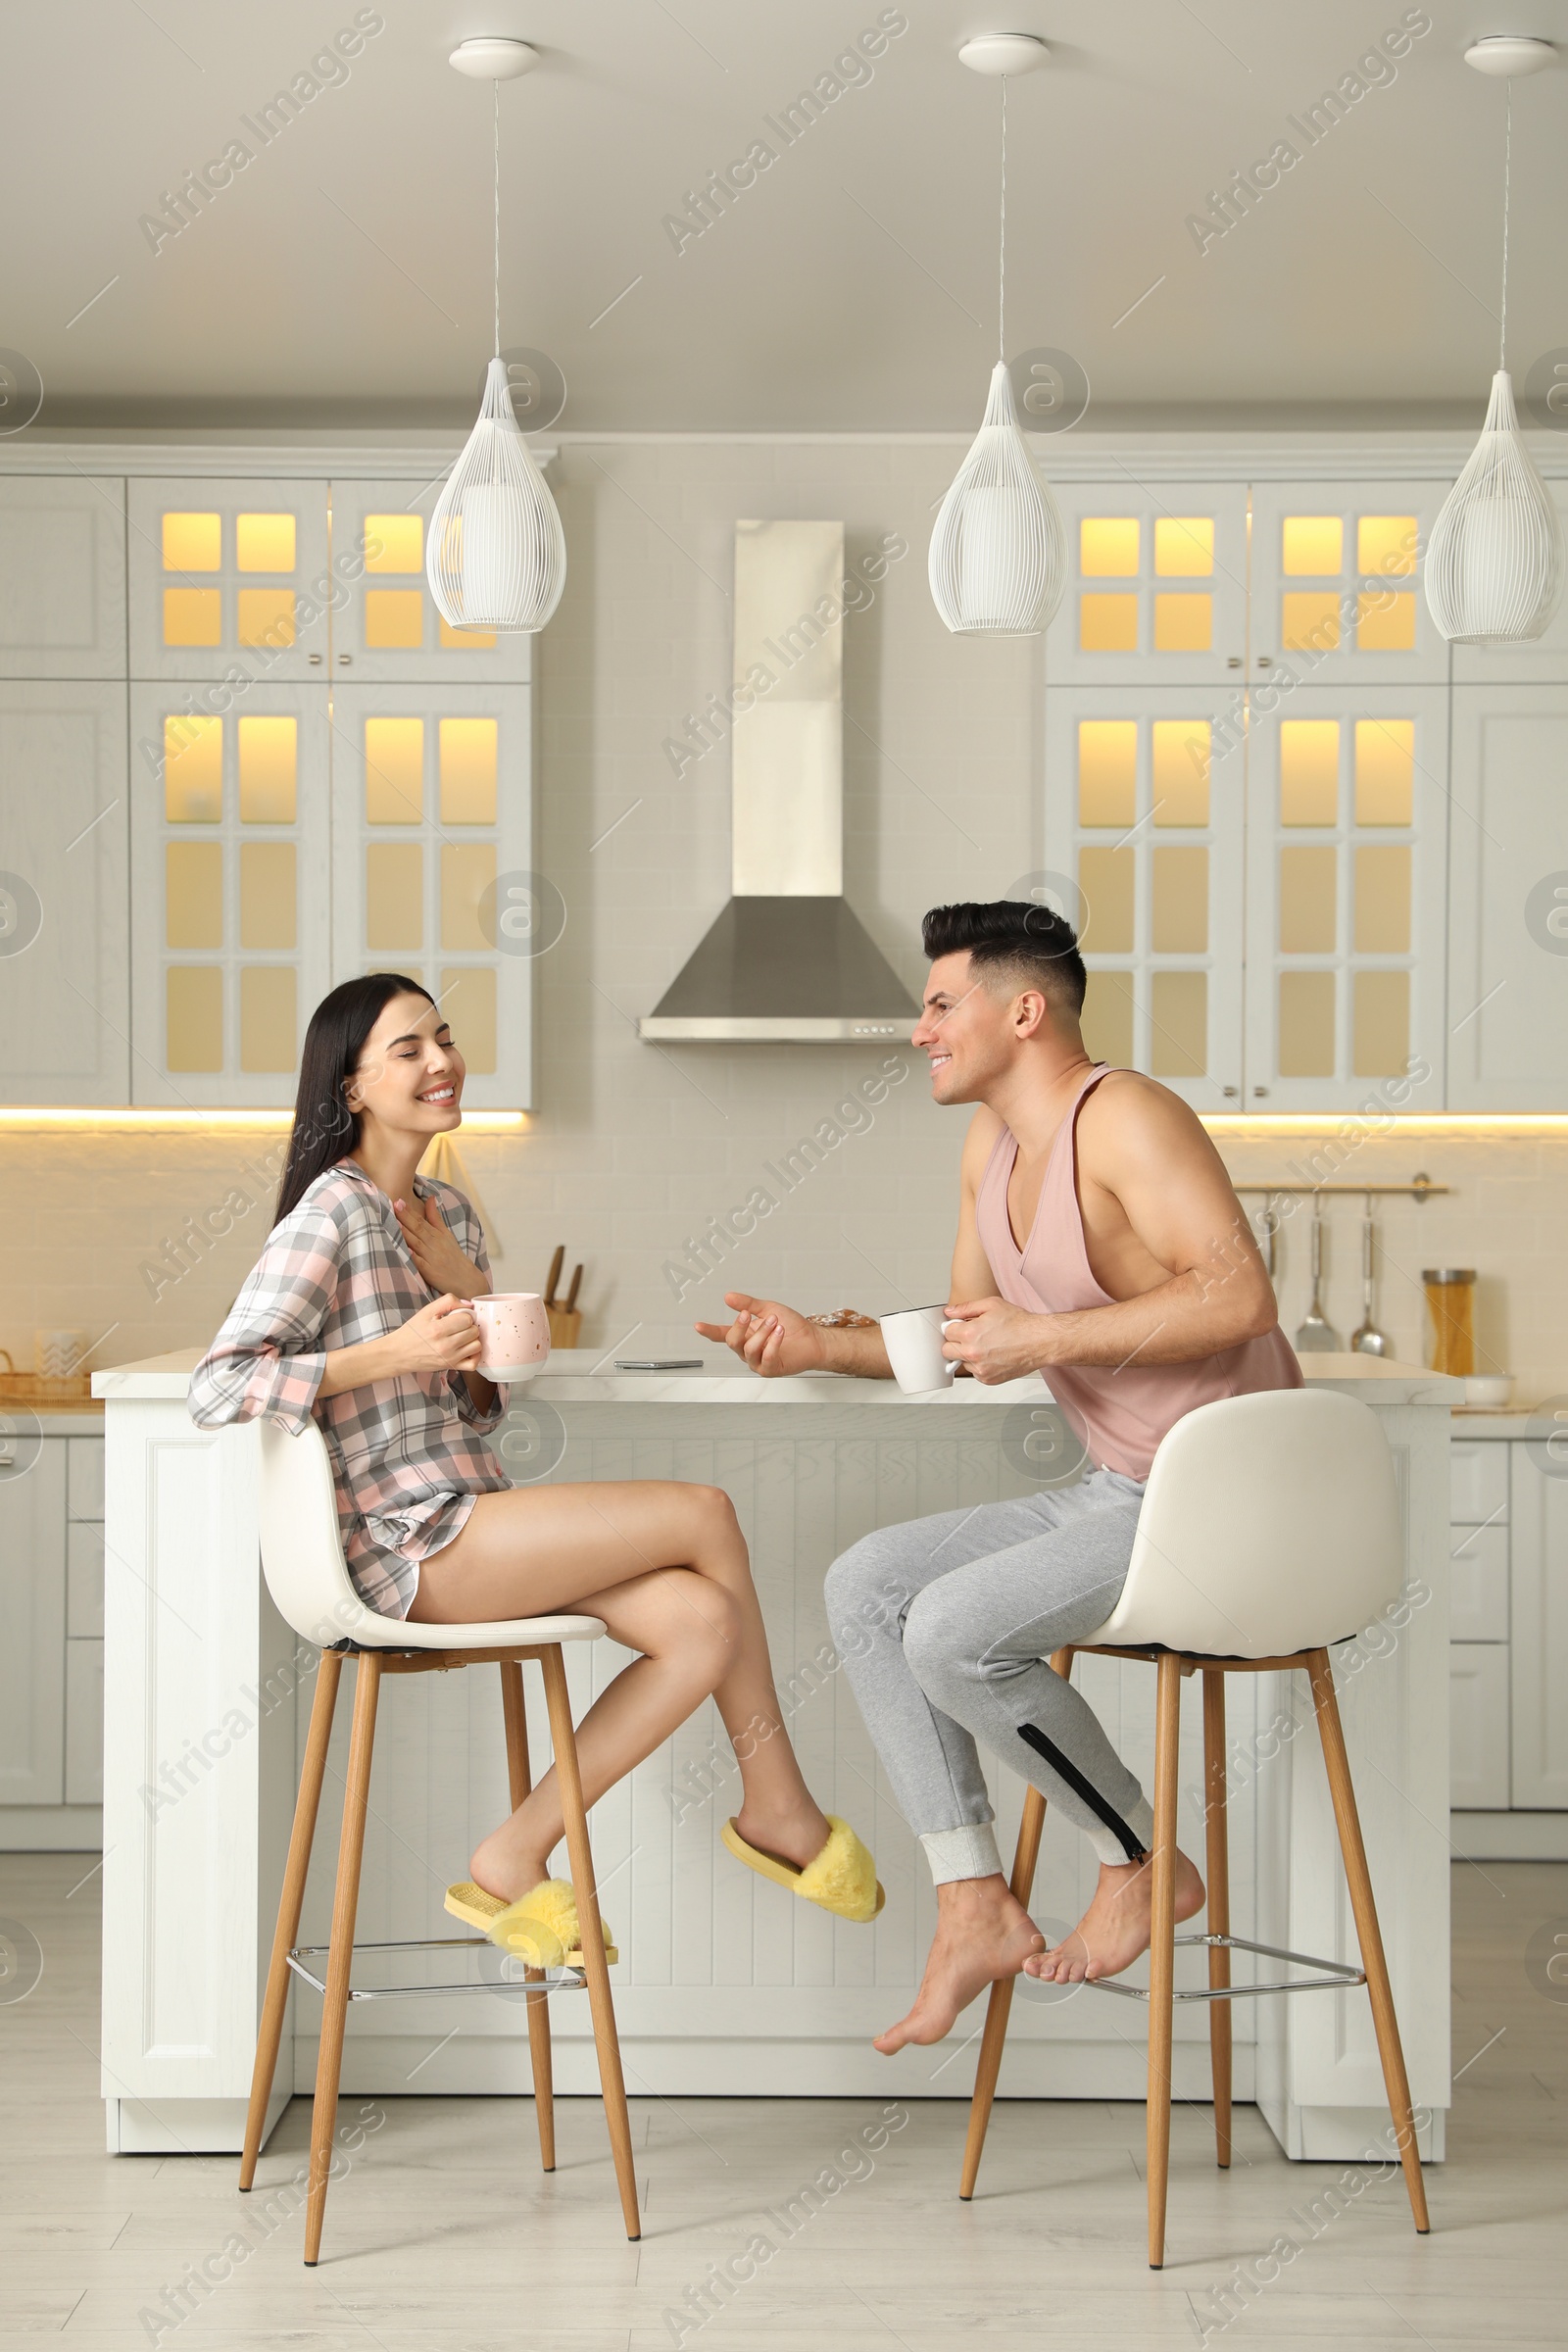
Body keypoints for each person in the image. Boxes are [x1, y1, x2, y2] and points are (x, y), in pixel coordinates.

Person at [696, 900, 1299, 2052]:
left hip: (1224, 1504)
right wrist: (813, 1343)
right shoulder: (991, 1147)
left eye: (938, 1003)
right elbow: (969, 1339)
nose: (919, 1029)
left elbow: (1237, 1297)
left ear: (1023, 1011)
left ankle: (1138, 1855)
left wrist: (1047, 1338)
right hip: (1124, 1492)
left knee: (952, 1631)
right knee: (866, 1585)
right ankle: (970, 1900)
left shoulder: (1124, 1117)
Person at [190, 972, 879, 1964]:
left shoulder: (446, 1212)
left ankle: (515, 1851)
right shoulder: (328, 1216)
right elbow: (218, 1385)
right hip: (405, 1546)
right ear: (351, 1089)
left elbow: (479, 1402)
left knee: (703, 1622)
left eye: (445, 1038)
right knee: (705, 1511)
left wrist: (473, 1293)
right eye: (409, 1050)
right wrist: (393, 1352)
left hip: (472, 1512)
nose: (441, 1061)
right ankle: (777, 1804)